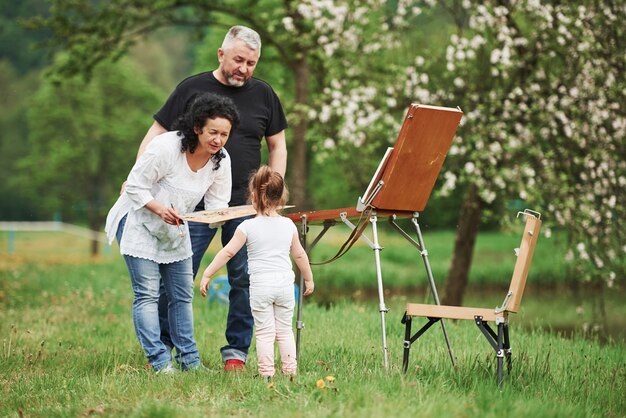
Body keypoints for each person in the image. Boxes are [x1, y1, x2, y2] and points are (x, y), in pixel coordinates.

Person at [129, 25, 288, 371]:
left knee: (244, 279)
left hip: (247, 206)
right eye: (238, 60)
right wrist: (143, 187)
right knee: (179, 278)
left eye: (251, 63)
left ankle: (236, 352)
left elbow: (277, 145)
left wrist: (272, 194)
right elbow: (156, 134)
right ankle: (165, 349)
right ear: (221, 54)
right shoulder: (191, 88)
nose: (244, 68)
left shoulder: (264, 94)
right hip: (192, 209)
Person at [106, 93, 240, 373]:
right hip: (138, 221)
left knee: (181, 295)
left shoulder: (221, 159)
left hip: (175, 229)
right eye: (213, 132)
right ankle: (159, 361)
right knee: (148, 294)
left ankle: (189, 362)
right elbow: (133, 185)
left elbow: (217, 205)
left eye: (224, 134)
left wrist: (223, 217)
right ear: (196, 127)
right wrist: (158, 209)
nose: (218, 140)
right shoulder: (166, 147)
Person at [199, 166, 314, 379]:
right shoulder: (288, 225)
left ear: (253, 196)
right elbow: (299, 255)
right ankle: (290, 371)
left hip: (261, 287)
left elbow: (227, 253)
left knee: (264, 333)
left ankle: (266, 373)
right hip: (285, 286)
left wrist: (207, 274)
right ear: (281, 198)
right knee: (285, 330)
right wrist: (308, 278)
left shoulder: (247, 227)